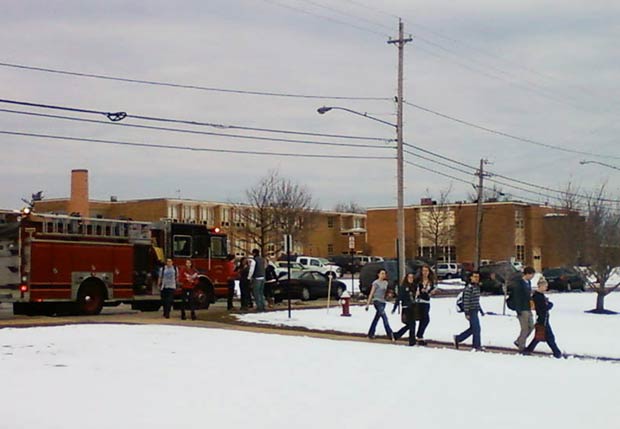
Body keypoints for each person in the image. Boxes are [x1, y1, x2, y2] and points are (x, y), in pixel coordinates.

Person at [525, 277, 563, 358]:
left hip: (542, 318)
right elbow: (543, 307)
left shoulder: (539, 295)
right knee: (549, 337)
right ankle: (557, 353)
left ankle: (529, 349)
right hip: (543, 319)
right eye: (545, 286)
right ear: (540, 286)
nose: (546, 288)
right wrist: (550, 305)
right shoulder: (538, 296)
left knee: (539, 336)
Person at [453, 271, 485, 351]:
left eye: (477, 277)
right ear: (471, 278)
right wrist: (466, 313)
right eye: (474, 276)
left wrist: (481, 310)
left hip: (475, 310)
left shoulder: (477, 287)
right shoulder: (468, 288)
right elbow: (466, 301)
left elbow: (476, 300)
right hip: (470, 310)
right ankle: (476, 346)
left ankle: (458, 338)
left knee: (473, 328)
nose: (476, 278)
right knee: (476, 328)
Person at [365, 269, 395, 341]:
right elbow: (371, 293)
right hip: (377, 301)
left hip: (383, 302)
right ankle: (390, 334)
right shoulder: (376, 283)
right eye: (382, 273)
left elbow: (387, 293)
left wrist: (389, 295)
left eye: (384, 274)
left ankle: (370, 333)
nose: (383, 275)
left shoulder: (385, 283)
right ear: (378, 274)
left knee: (377, 318)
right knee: (384, 317)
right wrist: (368, 304)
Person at [512, 266, 536, 352]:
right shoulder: (519, 284)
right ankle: (522, 347)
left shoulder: (528, 282)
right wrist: (518, 310)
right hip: (522, 308)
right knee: (525, 328)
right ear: (527, 274)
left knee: (531, 326)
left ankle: (519, 341)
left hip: (528, 307)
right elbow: (517, 298)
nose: (532, 276)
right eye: (532, 275)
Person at [413, 264, 436, 345]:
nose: (425, 272)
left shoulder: (431, 281)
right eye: (423, 271)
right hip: (419, 301)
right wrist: (417, 291)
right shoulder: (418, 281)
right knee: (424, 319)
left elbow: (432, 290)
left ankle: (419, 336)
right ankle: (419, 336)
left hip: (426, 301)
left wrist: (431, 292)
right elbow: (414, 288)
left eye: (426, 271)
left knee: (424, 319)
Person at [392, 272, 417, 346]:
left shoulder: (414, 286)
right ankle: (411, 341)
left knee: (412, 324)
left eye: (412, 277)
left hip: (412, 307)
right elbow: (399, 297)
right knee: (411, 324)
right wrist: (395, 307)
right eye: (409, 277)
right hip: (406, 308)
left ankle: (397, 335)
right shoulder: (403, 287)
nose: (411, 279)